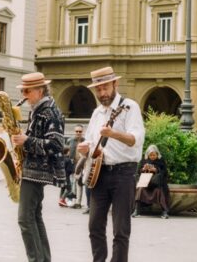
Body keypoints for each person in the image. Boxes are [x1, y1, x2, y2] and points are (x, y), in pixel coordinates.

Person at [77, 66, 145, 262]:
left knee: (121, 229)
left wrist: (114, 134)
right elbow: (91, 143)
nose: (102, 93)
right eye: (98, 90)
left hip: (124, 173)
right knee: (94, 226)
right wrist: (85, 148)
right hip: (99, 173)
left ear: (115, 84)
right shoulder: (97, 113)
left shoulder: (129, 106)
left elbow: (136, 139)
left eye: (105, 88)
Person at [10, 72, 65, 262]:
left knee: (25, 218)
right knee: (34, 216)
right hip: (32, 169)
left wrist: (26, 141)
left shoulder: (50, 111)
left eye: (27, 91)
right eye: (23, 90)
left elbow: (56, 144)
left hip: (37, 171)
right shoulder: (38, 109)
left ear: (40, 90)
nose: (24, 94)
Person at [132, 144, 170, 219]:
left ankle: (164, 211)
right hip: (145, 183)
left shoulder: (161, 160)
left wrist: (156, 170)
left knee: (160, 191)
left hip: (157, 183)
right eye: (151, 155)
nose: (152, 157)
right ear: (148, 155)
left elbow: (165, 172)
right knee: (140, 189)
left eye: (154, 155)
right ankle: (137, 210)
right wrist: (143, 169)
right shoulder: (144, 160)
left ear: (157, 154)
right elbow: (138, 172)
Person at [67, 125, 85, 209]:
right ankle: (73, 201)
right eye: (77, 131)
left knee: (79, 183)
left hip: (83, 165)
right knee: (72, 183)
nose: (78, 133)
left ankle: (78, 202)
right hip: (73, 164)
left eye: (80, 131)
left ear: (82, 132)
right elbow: (66, 151)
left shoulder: (85, 141)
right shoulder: (70, 141)